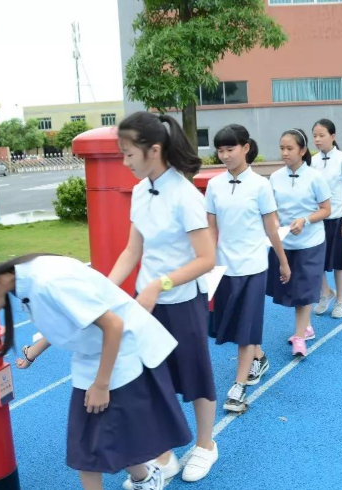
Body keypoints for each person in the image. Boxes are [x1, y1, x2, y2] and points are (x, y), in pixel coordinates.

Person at [0, 255, 191, 490]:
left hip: (123, 352)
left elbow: (113, 325)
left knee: (88, 446)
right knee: (97, 440)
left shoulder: (48, 282)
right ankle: (145, 477)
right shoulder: (22, 276)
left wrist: (101, 384)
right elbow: (65, 318)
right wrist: (35, 351)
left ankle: (146, 477)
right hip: (95, 354)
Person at [109, 112, 218, 484]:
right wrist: (105, 289)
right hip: (147, 301)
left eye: (129, 154)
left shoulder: (185, 195)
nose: (125, 162)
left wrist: (160, 285)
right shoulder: (141, 191)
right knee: (153, 378)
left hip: (182, 301)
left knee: (196, 375)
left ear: (154, 150)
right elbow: (132, 250)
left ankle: (205, 444)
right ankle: (164, 453)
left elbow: (207, 259)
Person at [206, 124, 291, 412]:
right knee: (230, 327)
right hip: (224, 268)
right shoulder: (214, 186)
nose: (225, 155)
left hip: (253, 267)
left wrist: (283, 261)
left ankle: (238, 387)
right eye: (220, 150)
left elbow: (271, 228)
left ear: (245, 148)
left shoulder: (260, 185)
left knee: (246, 329)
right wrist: (206, 260)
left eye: (230, 149)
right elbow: (210, 228)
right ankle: (260, 357)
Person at [267, 128, 331, 357]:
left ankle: (300, 338)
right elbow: (271, 209)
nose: (285, 153)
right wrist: (276, 223)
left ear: (302, 150)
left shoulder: (315, 177)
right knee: (292, 290)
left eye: (290, 148)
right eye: (282, 148)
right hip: (284, 243)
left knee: (304, 291)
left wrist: (305, 220)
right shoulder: (275, 177)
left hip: (310, 243)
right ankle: (306, 327)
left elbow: (326, 209)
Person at [311, 119, 342, 319]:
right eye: (315, 136)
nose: (317, 139)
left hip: (338, 217)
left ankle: (340, 300)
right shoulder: (313, 161)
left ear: (333, 136)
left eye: (322, 135)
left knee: (339, 261)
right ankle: (325, 292)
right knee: (317, 260)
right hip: (318, 218)